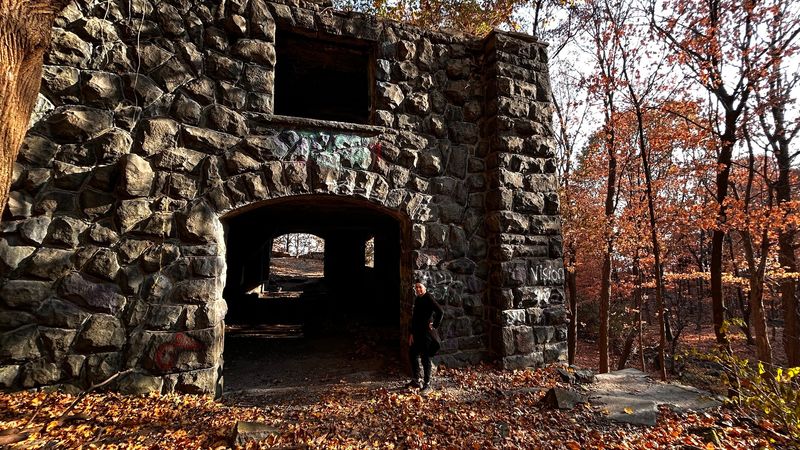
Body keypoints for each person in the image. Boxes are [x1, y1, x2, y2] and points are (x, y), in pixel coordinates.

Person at [407, 281, 443, 395]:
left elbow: (440, 312)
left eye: (420, 287)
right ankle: (416, 380)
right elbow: (415, 318)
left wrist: (434, 325)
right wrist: (411, 333)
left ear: (425, 288)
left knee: (425, 358)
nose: (418, 289)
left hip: (426, 334)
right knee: (412, 353)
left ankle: (427, 384)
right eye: (416, 287)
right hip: (417, 333)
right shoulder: (418, 299)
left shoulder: (428, 298)